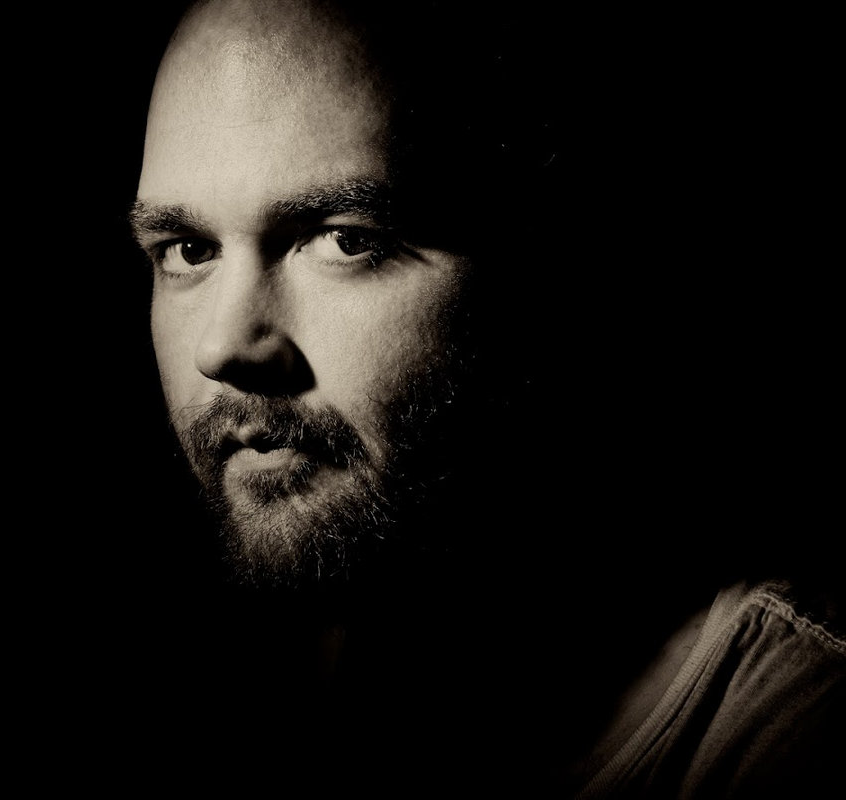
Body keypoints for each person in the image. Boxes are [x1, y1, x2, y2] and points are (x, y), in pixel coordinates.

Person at [123, 1, 843, 796]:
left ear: (547, 264)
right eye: (188, 250)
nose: (222, 347)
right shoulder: (234, 685)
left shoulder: (791, 737)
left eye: (347, 239)